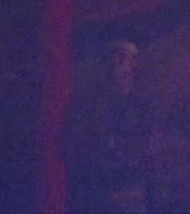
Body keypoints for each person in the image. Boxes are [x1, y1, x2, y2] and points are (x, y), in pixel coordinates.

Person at [63, 40, 158, 214]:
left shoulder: (143, 105)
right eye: (112, 56)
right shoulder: (89, 104)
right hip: (96, 188)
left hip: (129, 186)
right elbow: (76, 145)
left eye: (122, 56)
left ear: (134, 62)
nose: (116, 63)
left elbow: (149, 146)